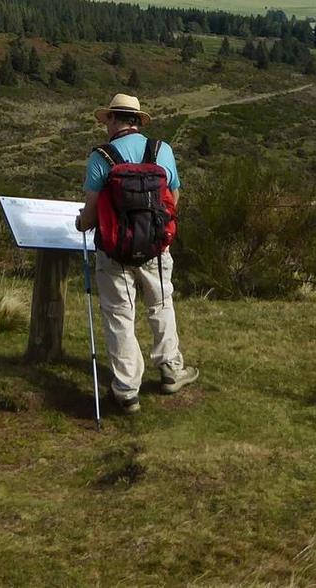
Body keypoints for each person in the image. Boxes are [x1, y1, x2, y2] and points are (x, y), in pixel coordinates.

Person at [74, 93, 199, 413]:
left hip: (115, 251)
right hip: (157, 249)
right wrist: (158, 230)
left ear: (115, 119)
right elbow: (173, 195)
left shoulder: (102, 157)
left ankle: (127, 389)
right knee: (160, 305)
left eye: (108, 120)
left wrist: (80, 223)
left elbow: (89, 214)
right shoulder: (161, 151)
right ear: (138, 121)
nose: (106, 126)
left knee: (119, 315)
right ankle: (171, 369)